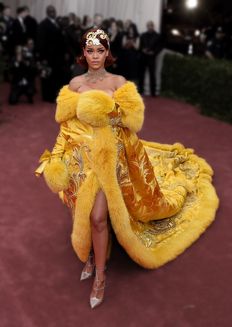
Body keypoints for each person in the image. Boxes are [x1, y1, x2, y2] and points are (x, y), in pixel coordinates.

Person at [35, 28, 219, 309]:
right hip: (81, 162)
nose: (95, 56)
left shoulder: (118, 82)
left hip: (110, 162)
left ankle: (100, 276)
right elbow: (67, 129)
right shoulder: (74, 84)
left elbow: (132, 124)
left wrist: (107, 114)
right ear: (83, 53)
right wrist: (56, 160)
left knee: (98, 216)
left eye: (100, 50)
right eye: (90, 50)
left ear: (107, 53)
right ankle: (91, 256)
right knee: (82, 211)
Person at [138, 21, 162, 96]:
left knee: (152, 75)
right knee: (141, 75)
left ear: (153, 26)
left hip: (152, 57)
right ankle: (140, 91)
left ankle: (153, 93)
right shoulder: (143, 35)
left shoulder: (157, 36)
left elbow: (159, 47)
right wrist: (142, 50)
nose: (149, 27)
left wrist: (154, 52)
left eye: (151, 26)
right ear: (147, 26)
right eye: (148, 26)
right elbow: (140, 46)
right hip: (143, 57)